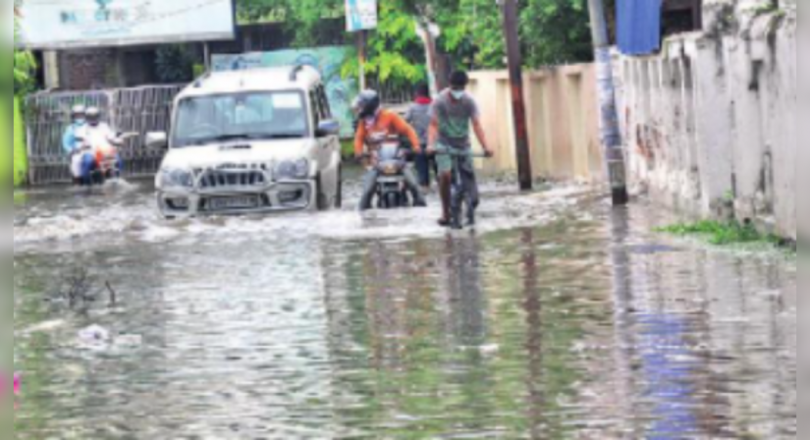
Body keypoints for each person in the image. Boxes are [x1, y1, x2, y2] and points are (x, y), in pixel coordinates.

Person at [427, 71, 494, 227]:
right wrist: (431, 144)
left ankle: (470, 206)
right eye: (455, 88)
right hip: (444, 144)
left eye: (461, 88)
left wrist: (486, 147)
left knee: (469, 180)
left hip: (463, 145)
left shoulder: (469, 101)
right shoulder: (439, 101)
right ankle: (445, 212)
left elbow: (476, 125)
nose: (457, 91)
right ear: (449, 85)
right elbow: (433, 125)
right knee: (445, 175)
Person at [353, 90, 427, 210]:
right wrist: (358, 152)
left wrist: (416, 146)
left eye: (362, 105)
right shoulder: (364, 122)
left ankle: (421, 207)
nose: (359, 108)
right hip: (377, 161)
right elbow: (359, 138)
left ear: (369, 106)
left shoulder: (390, 116)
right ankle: (364, 211)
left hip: (396, 159)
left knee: (414, 185)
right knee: (367, 191)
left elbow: (408, 130)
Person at [75, 107, 124, 184]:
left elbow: (111, 137)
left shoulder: (104, 126)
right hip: (90, 151)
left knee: (118, 160)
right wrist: (83, 145)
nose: (93, 118)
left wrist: (118, 141)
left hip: (105, 150)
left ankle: (118, 178)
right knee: (87, 162)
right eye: (91, 116)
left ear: (98, 116)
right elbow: (79, 141)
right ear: (87, 117)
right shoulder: (82, 129)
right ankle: (86, 183)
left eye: (95, 116)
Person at [405, 83, 436, 191]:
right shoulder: (435, 106)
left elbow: (405, 122)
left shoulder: (412, 108)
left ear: (416, 94)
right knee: (441, 175)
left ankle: (424, 186)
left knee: (422, 175)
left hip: (419, 145)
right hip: (435, 144)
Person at [62, 104, 91, 185]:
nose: (80, 117)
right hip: (79, 151)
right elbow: (66, 143)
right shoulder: (71, 128)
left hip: (94, 149)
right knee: (76, 161)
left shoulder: (92, 124)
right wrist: (71, 150)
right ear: (73, 116)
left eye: (81, 114)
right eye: (77, 115)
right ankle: (78, 180)